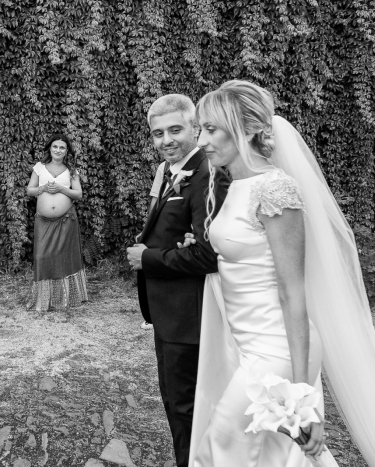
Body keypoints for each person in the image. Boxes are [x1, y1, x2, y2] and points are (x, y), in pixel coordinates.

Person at [183, 80, 375, 467]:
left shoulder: (275, 189)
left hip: (275, 353)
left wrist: (300, 392)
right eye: (200, 129)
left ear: (245, 129)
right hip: (247, 346)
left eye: (210, 129)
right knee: (274, 458)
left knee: (221, 447)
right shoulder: (235, 183)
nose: (201, 139)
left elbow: (293, 293)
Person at [126, 94, 229, 466]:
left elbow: (209, 254)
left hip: (189, 313)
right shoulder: (171, 171)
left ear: (195, 128)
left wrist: (148, 258)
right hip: (168, 309)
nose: (166, 140)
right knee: (175, 401)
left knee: (184, 404)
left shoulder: (206, 173)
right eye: (157, 133)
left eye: (175, 130)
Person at [26, 133, 88, 312]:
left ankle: (65, 299)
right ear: (50, 148)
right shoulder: (39, 167)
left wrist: (62, 188)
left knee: (64, 259)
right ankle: (45, 299)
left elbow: (78, 194)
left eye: (62, 147)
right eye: (55, 146)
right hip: (43, 221)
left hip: (66, 220)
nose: (58, 150)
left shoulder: (72, 170)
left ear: (66, 150)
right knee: (42, 257)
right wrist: (43, 188)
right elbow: (30, 190)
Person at [137, 164, 166, 331]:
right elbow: (155, 199)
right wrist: (147, 229)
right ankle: (150, 317)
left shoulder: (205, 164)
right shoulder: (164, 166)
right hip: (161, 225)